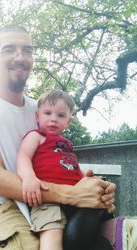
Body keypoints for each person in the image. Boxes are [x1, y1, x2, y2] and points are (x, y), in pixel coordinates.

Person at [0, 25, 116, 250]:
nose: (20, 57)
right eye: (9, 49)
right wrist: (73, 195)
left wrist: (93, 187)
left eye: (27, 50)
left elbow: (54, 161)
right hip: (1, 207)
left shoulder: (41, 111)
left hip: (49, 200)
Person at [17, 89, 113, 250]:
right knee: (51, 232)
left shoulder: (67, 144)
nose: (53, 119)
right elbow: (23, 157)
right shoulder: (36, 136)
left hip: (76, 197)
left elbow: (71, 167)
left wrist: (89, 179)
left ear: (68, 121)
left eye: (61, 115)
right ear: (37, 117)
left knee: (100, 221)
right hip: (48, 199)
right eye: (47, 113)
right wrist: (28, 177)